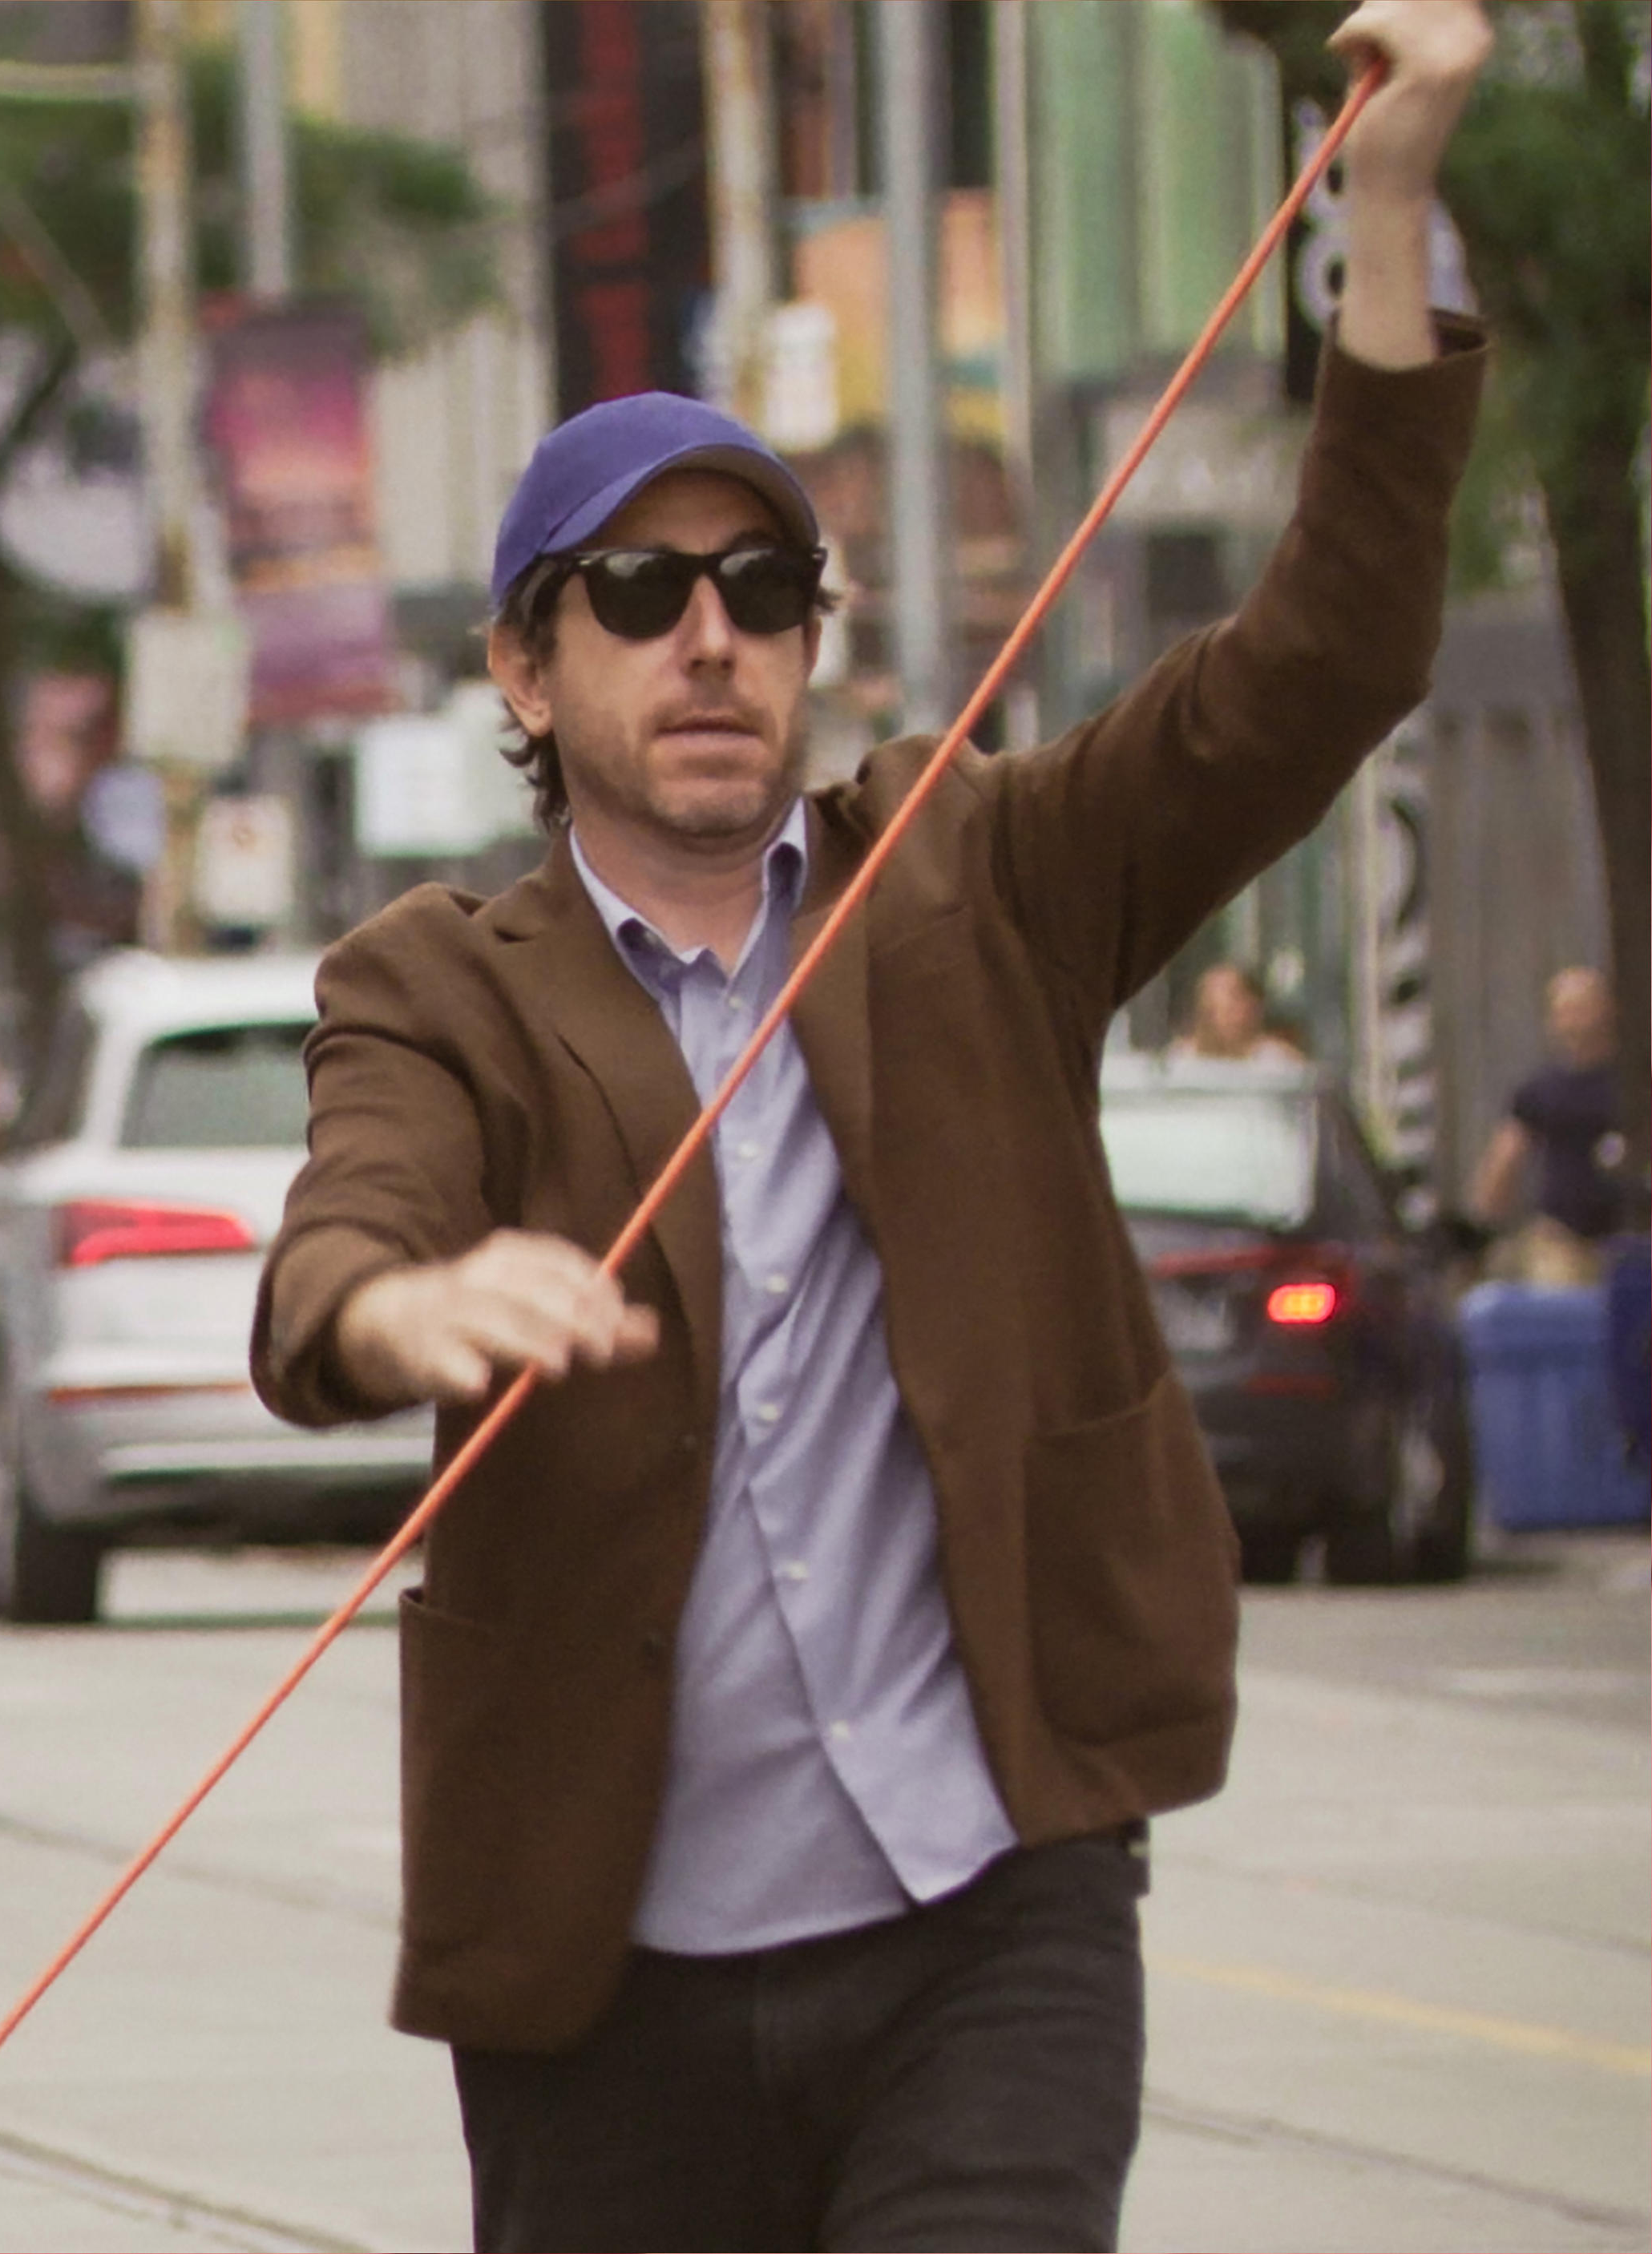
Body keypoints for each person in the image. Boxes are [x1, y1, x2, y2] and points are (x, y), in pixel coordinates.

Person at [244, 6, 1486, 2244]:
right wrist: (411, 1304)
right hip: (600, 1976)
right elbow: (339, 1244)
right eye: (638, 593)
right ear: (527, 670)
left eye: (764, 590)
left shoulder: (983, 874)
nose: (709, 639)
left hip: (986, 1904)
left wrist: (1385, 204)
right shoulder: (435, 983)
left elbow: (1332, 656)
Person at [1467, 965, 1634, 1281]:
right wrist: (1480, 1234)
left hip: (1631, 1240)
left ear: (1609, 1010)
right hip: (1565, 1242)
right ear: (1553, 1021)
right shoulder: (1540, 1091)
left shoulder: (1635, 1085)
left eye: (1584, 1008)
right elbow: (1505, 1160)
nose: (1576, 1021)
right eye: (1566, 1011)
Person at [1166, 959, 1307, 1064]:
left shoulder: (1279, 1062)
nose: (1219, 1018)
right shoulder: (1179, 1060)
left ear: (1253, 1007)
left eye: (1230, 1008)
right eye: (1211, 1009)